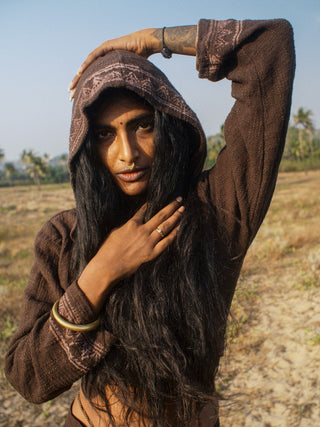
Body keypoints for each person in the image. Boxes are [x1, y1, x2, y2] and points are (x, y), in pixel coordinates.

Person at [5, 18, 295, 427]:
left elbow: (269, 45)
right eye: (105, 135)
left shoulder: (215, 211)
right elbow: (26, 377)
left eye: (143, 126)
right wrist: (101, 272)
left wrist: (152, 39)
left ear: (169, 125)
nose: (127, 154)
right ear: (86, 146)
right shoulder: (64, 237)